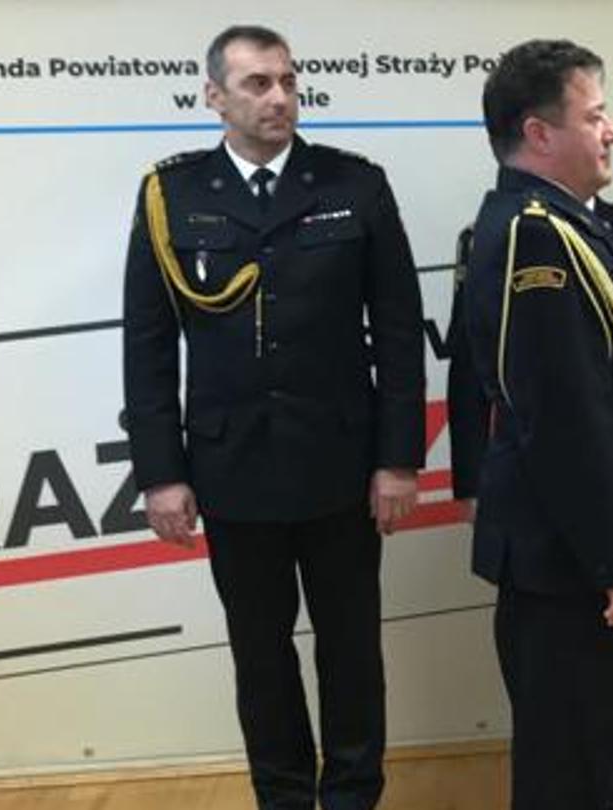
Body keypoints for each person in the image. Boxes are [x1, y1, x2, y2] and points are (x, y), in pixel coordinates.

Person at [120, 24, 423, 810]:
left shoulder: (354, 184)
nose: (280, 97)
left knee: (351, 650)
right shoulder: (172, 196)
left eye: (288, 81)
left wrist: (398, 459)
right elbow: (148, 347)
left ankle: (353, 795)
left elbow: (398, 331)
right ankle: (283, 797)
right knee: (260, 654)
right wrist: (161, 474)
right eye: (257, 83)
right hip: (233, 468)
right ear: (214, 96)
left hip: (340, 466)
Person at [457, 38, 613, 809]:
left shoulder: (569, 225)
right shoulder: (537, 235)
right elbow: (565, 422)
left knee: (606, 755)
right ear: (539, 133)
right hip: (570, 562)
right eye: (594, 116)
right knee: (571, 768)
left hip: (580, 555)